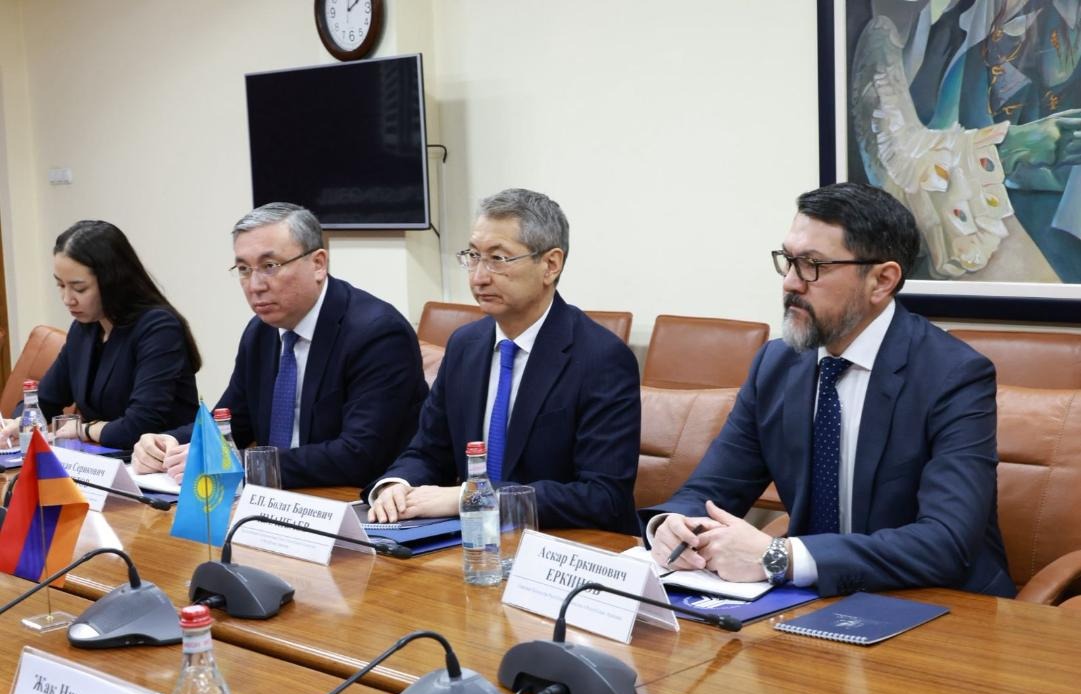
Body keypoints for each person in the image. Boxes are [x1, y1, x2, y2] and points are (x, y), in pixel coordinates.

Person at [643, 183, 1015, 598]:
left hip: (937, 602)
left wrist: (781, 557)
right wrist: (671, 525)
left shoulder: (954, 375)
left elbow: (946, 542)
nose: (790, 283)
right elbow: (711, 489)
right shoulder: (776, 364)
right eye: (788, 260)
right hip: (812, 599)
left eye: (812, 265)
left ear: (882, 280)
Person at [366, 188, 641, 534]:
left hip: (558, 545)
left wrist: (472, 496)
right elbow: (428, 451)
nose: (478, 277)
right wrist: (397, 484)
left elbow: (602, 497)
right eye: (473, 256)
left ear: (550, 265)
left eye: (498, 259)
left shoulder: (601, 358)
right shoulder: (465, 345)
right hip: (472, 542)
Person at [131, 202, 427, 489]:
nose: (255, 285)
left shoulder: (376, 333)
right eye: (243, 269)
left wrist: (242, 464)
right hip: (277, 496)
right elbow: (231, 422)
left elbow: (358, 455)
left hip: (357, 501)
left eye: (270, 266)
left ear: (318, 264)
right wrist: (170, 443)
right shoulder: (260, 332)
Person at [1, 220, 200, 451]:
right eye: (60, 285)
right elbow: (44, 400)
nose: (67, 299)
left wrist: (85, 430)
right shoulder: (83, 329)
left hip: (164, 462)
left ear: (112, 281)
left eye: (79, 288)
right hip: (106, 460)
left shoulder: (158, 327)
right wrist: (20, 423)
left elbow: (140, 425)